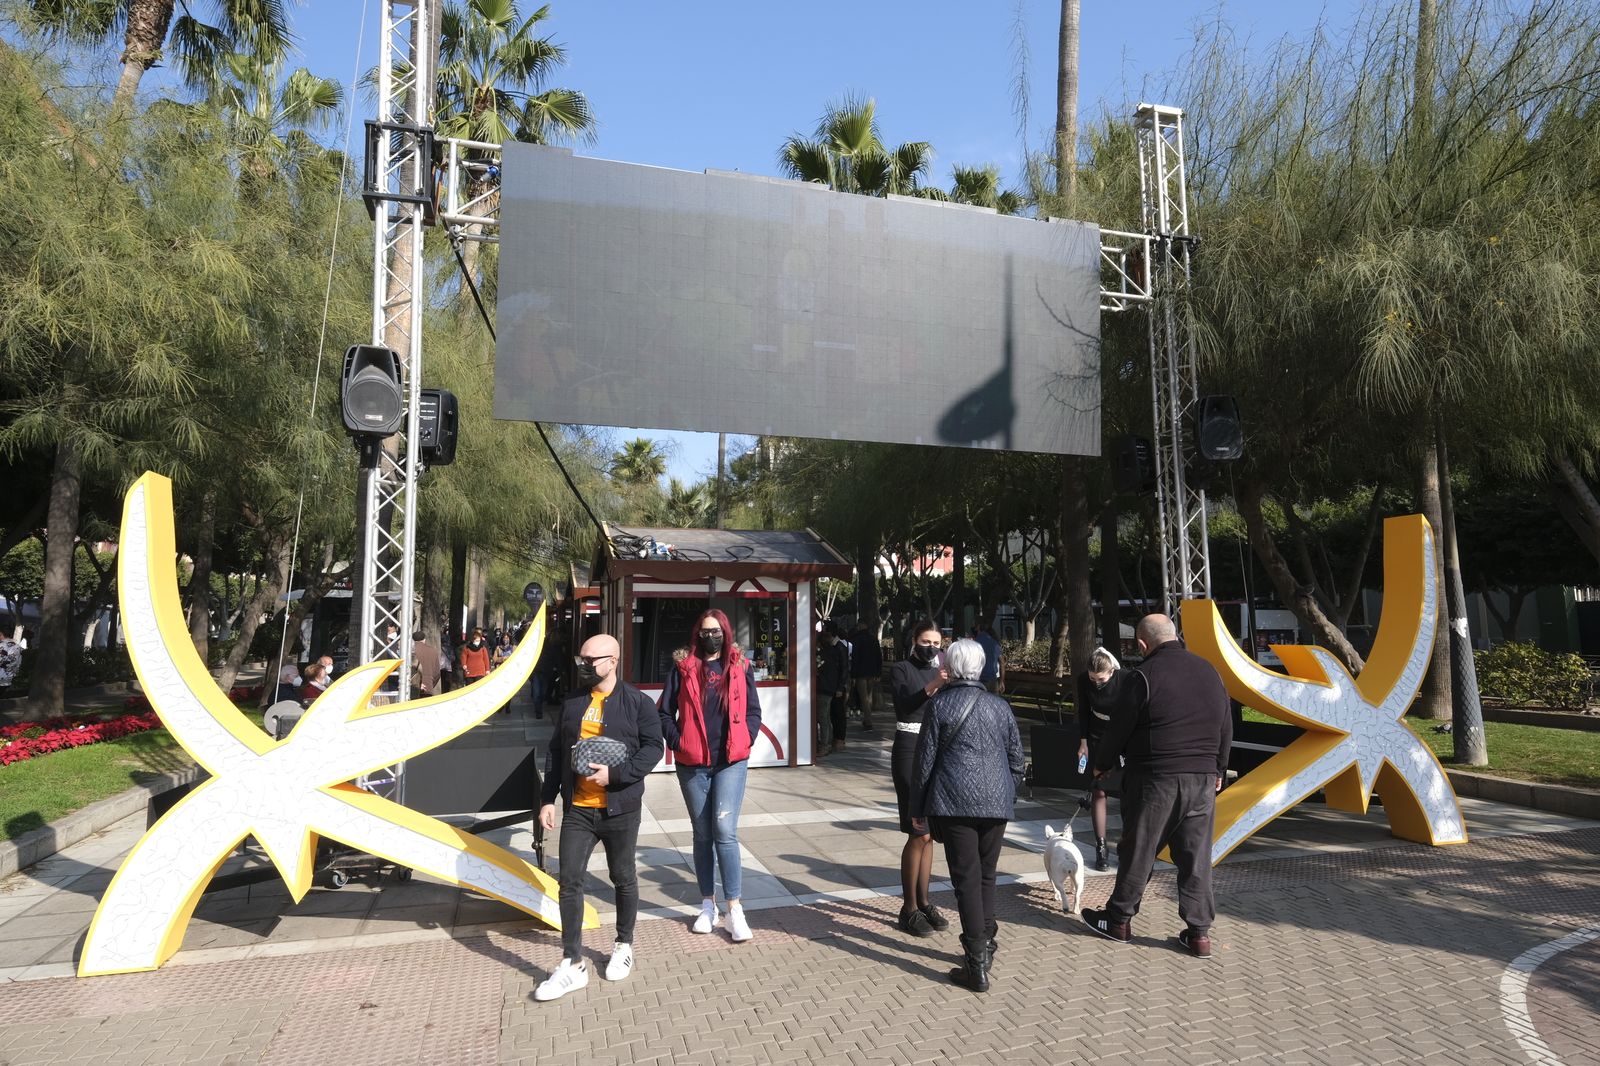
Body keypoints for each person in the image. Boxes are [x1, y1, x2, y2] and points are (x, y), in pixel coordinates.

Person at [1082, 614, 1232, 960]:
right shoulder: (1210, 671)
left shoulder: (1142, 676)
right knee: (1196, 857)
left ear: (1142, 644)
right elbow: (1225, 723)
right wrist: (1219, 767)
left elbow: (1118, 728)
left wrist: (1102, 764)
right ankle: (1199, 934)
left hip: (1155, 778)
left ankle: (1118, 920)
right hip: (1202, 779)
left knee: (1139, 849)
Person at [534, 633, 664, 1001]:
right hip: (578, 809)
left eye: (591, 660)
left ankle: (623, 945)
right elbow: (556, 750)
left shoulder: (638, 703)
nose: (584, 665)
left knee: (622, 876)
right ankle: (572, 962)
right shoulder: (573, 702)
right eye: (582, 659)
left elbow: (654, 748)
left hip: (621, 810)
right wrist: (547, 799)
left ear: (613, 661)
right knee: (569, 880)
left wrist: (617, 775)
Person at [909, 638, 1024, 993]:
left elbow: (924, 762)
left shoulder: (940, 705)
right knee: (986, 875)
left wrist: (917, 808)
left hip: (955, 802)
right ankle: (986, 942)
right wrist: (1007, 792)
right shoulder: (1000, 706)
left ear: (952, 667)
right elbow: (1017, 761)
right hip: (996, 803)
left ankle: (976, 964)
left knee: (966, 880)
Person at [658, 608, 762, 943]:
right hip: (693, 764)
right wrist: (679, 742)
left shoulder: (740, 665)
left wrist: (745, 737)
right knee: (702, 834)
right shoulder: (684, 667)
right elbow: (664, 712)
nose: (710, 637)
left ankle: (734, 909)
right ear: (697, 635)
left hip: (730, 761)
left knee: (724, 831)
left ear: (725, 632)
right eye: (705, 632)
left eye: (716, 631)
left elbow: (753, 710)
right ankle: (707, 905)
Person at [888, 620, 951, 938]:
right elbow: (903, 707)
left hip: (935, 749)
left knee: (929, 835)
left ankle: (924, 901)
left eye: (936, 643)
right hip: (909, 750)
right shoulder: (901, 669)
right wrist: (934, 684)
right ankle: (909, 908)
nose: (931, 648)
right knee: (917, 830)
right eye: (926, 641)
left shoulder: (942, 670)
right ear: (914, 640)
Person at [1075, 646, 1142, 871]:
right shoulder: (1084, 680)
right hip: (1097, 734)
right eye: (1093, 679)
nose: (1097, 683)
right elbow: (1083, 711)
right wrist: (1083, 741)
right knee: (1099, 789)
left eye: (1101, 679)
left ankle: (1127, 845)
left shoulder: (1126, 679)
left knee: (1127, 790)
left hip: (1123, 734)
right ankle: (1101, 847)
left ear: (1112, 671)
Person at [816, 621, 851, 754]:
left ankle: (836, 740)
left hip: (833, 686)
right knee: (830, 715)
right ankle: (832, 741)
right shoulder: (833, 647)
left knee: (835, 713)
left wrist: (840, 687)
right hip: (833, 686)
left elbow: (844, 669)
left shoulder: (837, 648)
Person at [849, 618, 883, 732]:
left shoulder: (856, 639)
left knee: (864, 697)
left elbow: (855, 658)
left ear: (860, 625)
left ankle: (868, 721)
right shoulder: (873, 639)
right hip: (872, 672)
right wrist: (878, 672)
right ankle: (867, 719)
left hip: (860, 672)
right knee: (869, 696)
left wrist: (853, 675)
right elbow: (879, 656)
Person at [972, 621, 1005, 694]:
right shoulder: (995, 643)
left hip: (979, 680)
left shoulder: (975, 643)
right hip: (993, 680)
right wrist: (1001, 681)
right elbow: (1002, 662)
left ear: (978, 628)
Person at [412, 630, 442, 697]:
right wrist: (430, 684)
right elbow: (437, 673)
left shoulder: (410, 651)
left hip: (412, 686)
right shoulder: (433, 651)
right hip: (427, 686)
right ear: (424, 640)